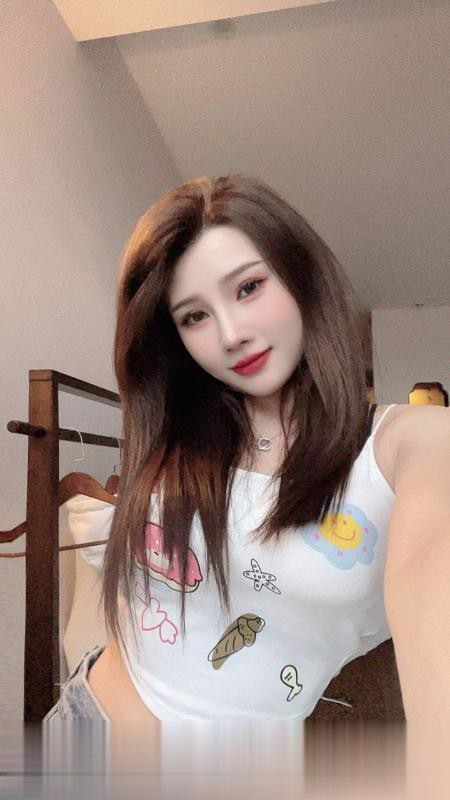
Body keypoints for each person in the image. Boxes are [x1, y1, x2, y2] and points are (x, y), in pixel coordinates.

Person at [44, 173, 450, 726]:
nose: (231, 333)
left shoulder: (412, 442)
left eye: (249, 287)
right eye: (194, 316)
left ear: (302, 278)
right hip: (83, 720)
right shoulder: (182, 434)